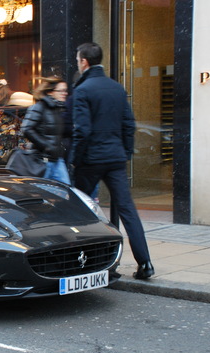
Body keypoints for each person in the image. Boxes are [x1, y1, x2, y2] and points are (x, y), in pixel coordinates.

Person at [72, 42, 154, 280]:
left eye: (78, 60)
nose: (77, 63)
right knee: (128, 210)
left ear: (84, 62)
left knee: (80, 212)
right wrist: (125, 153)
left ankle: (88, 263)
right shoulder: (117, 88)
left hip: (90, 160)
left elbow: (82, 131)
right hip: (115, 158)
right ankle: (145, 263)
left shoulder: (83, 90)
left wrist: (75, 161)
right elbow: (129, 124)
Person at [20, 76, 71, 185]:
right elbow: (26, 128)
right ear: (50, 92)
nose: (65, 93)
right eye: (61, 91)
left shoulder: (58, 109)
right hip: (42, 160)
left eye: (65, 90)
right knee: (43, 191)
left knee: (65, 191)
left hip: (57, 159)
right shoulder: (39, 107)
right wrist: (46, 146)